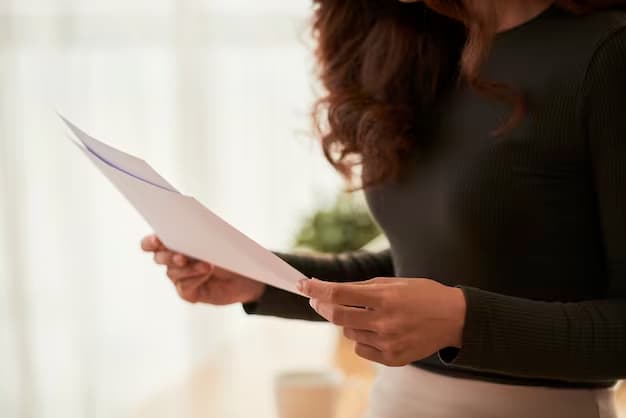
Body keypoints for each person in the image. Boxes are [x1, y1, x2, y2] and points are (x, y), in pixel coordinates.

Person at [141, 0, 626, 416]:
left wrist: (462, 321)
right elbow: (421, 267)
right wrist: (261, 278)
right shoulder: (422, 50)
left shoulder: (607, 56)